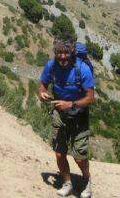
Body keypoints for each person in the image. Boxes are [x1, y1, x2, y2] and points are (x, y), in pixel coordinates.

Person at [38, 36, 95, 197]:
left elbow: (90, 98)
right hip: (59, 114)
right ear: (55, 52)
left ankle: (86, 180)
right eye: (59, 53)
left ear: (72, 53)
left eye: (66, 53)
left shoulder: (82, 69)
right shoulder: (51, 66)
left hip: (79, 116)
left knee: (80, 157)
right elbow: (42, 85)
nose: (62, 56)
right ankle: (67, 182)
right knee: (59, 153)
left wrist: (70, 104)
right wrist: (42, 93)